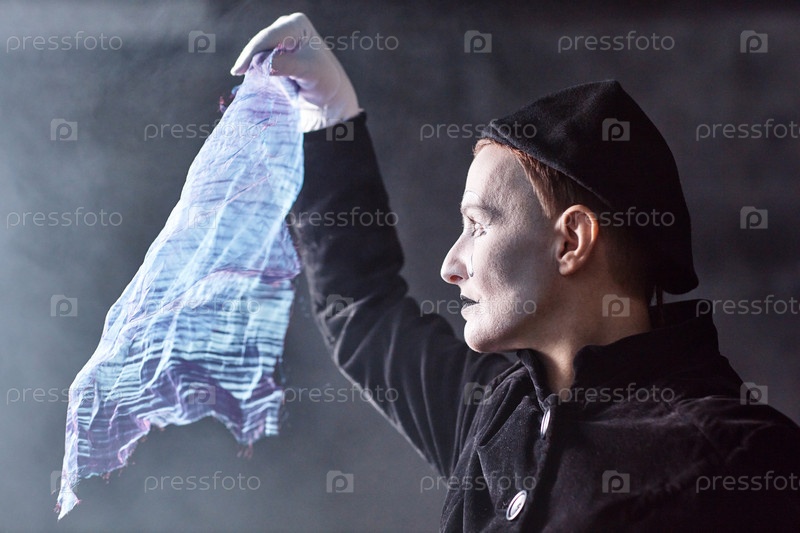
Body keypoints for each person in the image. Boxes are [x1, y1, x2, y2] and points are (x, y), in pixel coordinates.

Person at [232, 13, 800, 531]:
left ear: (571, 241)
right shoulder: (497, 412)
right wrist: (327, 112)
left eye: (477, 225)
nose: (450, 266)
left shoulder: (740, 464)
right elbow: (364, 309)